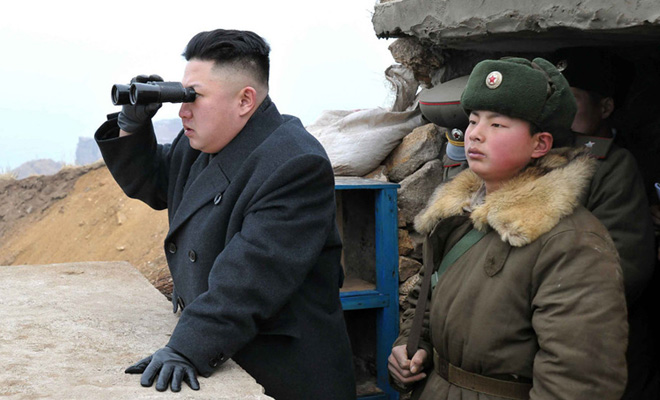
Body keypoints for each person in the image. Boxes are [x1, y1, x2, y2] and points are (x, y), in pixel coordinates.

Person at [94, 29, 356, 399]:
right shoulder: (203, 143)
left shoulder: (295, 164)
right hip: (233, 349)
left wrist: (185, 348)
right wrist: (132, 124)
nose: (182, 110)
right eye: (182, 95)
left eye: (194, 97)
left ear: (245, 100)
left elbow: (249, 278)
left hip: (282, 373)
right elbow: (153, 182)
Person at [388, 57, 628, 399]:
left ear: (540, 144)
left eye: (497, 124)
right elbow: (425, 299)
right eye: (473, 120)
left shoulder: (572, 243)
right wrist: (412, 345)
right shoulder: (459, 218)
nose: (475, 134)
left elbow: (578, 382)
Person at [558, 48, 659, 400]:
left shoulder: (620, 163)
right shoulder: (545, 155)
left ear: (605, 108)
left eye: (572, 99)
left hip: (602, 334)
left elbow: (625, 268)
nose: (561, 110)